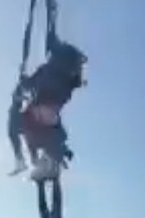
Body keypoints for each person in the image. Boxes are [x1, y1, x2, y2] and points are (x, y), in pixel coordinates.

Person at [8, 37, 87, 178]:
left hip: (42, 114)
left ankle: (24, 160)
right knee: (21, 124)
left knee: (16, 122)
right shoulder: (55, 73)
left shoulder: (54, 73)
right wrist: (23, 83)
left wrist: (23, 84)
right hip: (44, 114)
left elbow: (31, 85)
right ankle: (28, 160)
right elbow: (30, 84)